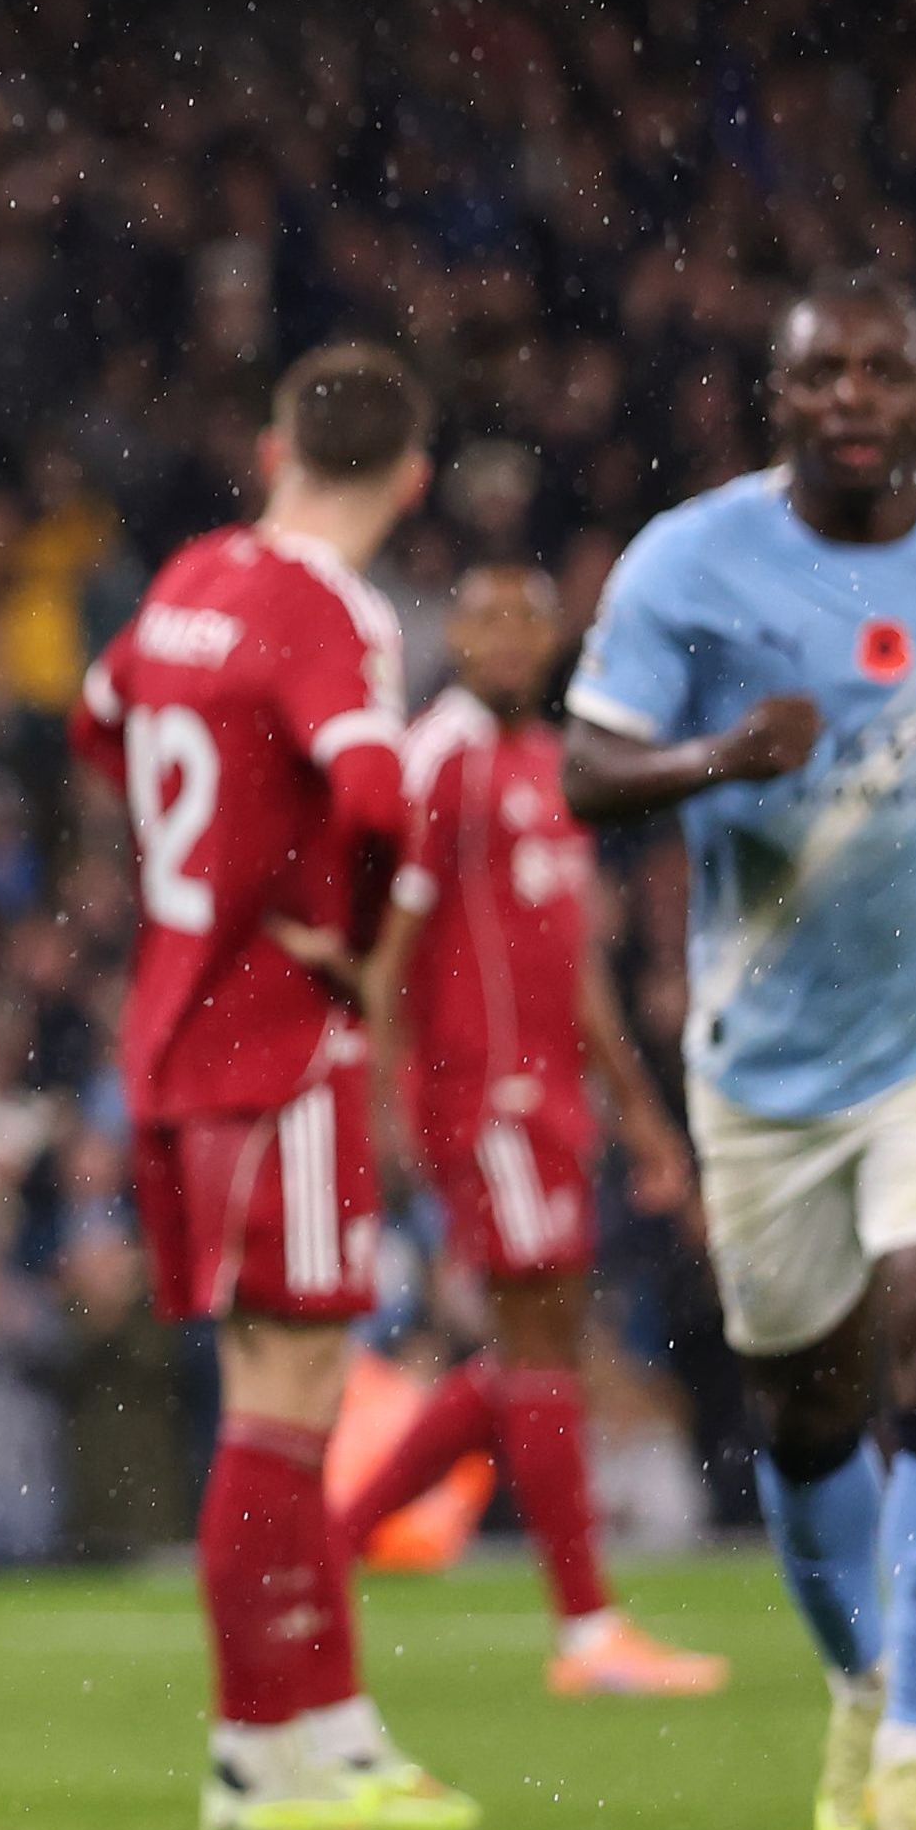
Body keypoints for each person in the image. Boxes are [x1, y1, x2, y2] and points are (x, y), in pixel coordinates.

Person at [561, 275, 916, 1830]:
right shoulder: (692, 561)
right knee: (807, 1416)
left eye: (883, 368)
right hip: (770, 1062)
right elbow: (590, 768)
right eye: (823, 375)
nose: (852, 396)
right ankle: (863, 1686)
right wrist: (716, 759)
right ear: (777, 398)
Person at [71, 344, 477, 1830]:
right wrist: (341, 930)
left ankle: (327, 1726)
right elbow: (375, 792)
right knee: (285, 1399)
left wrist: (198, 878)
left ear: (270, 450)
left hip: (176, 1028)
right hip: (276, 1040)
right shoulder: (330, 610)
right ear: (413, 480)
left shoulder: (192, 575)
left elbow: (99, 717)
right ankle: (263, 1748)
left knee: (284, 1393)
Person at [333, 564, 728, 1698]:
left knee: (526, 1352)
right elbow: (390, 945)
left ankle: (335, 1543)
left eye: (526, 620)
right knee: (541, 1341)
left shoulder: (555, 766)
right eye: (485, 619)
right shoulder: (441, 755)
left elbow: (579, 962)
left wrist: (642, 1113)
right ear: (453, 633)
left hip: (552, 1095)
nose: (506, 640)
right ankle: (587, 1631)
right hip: (480, 1093)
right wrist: (384, 1101)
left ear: (557, 640)